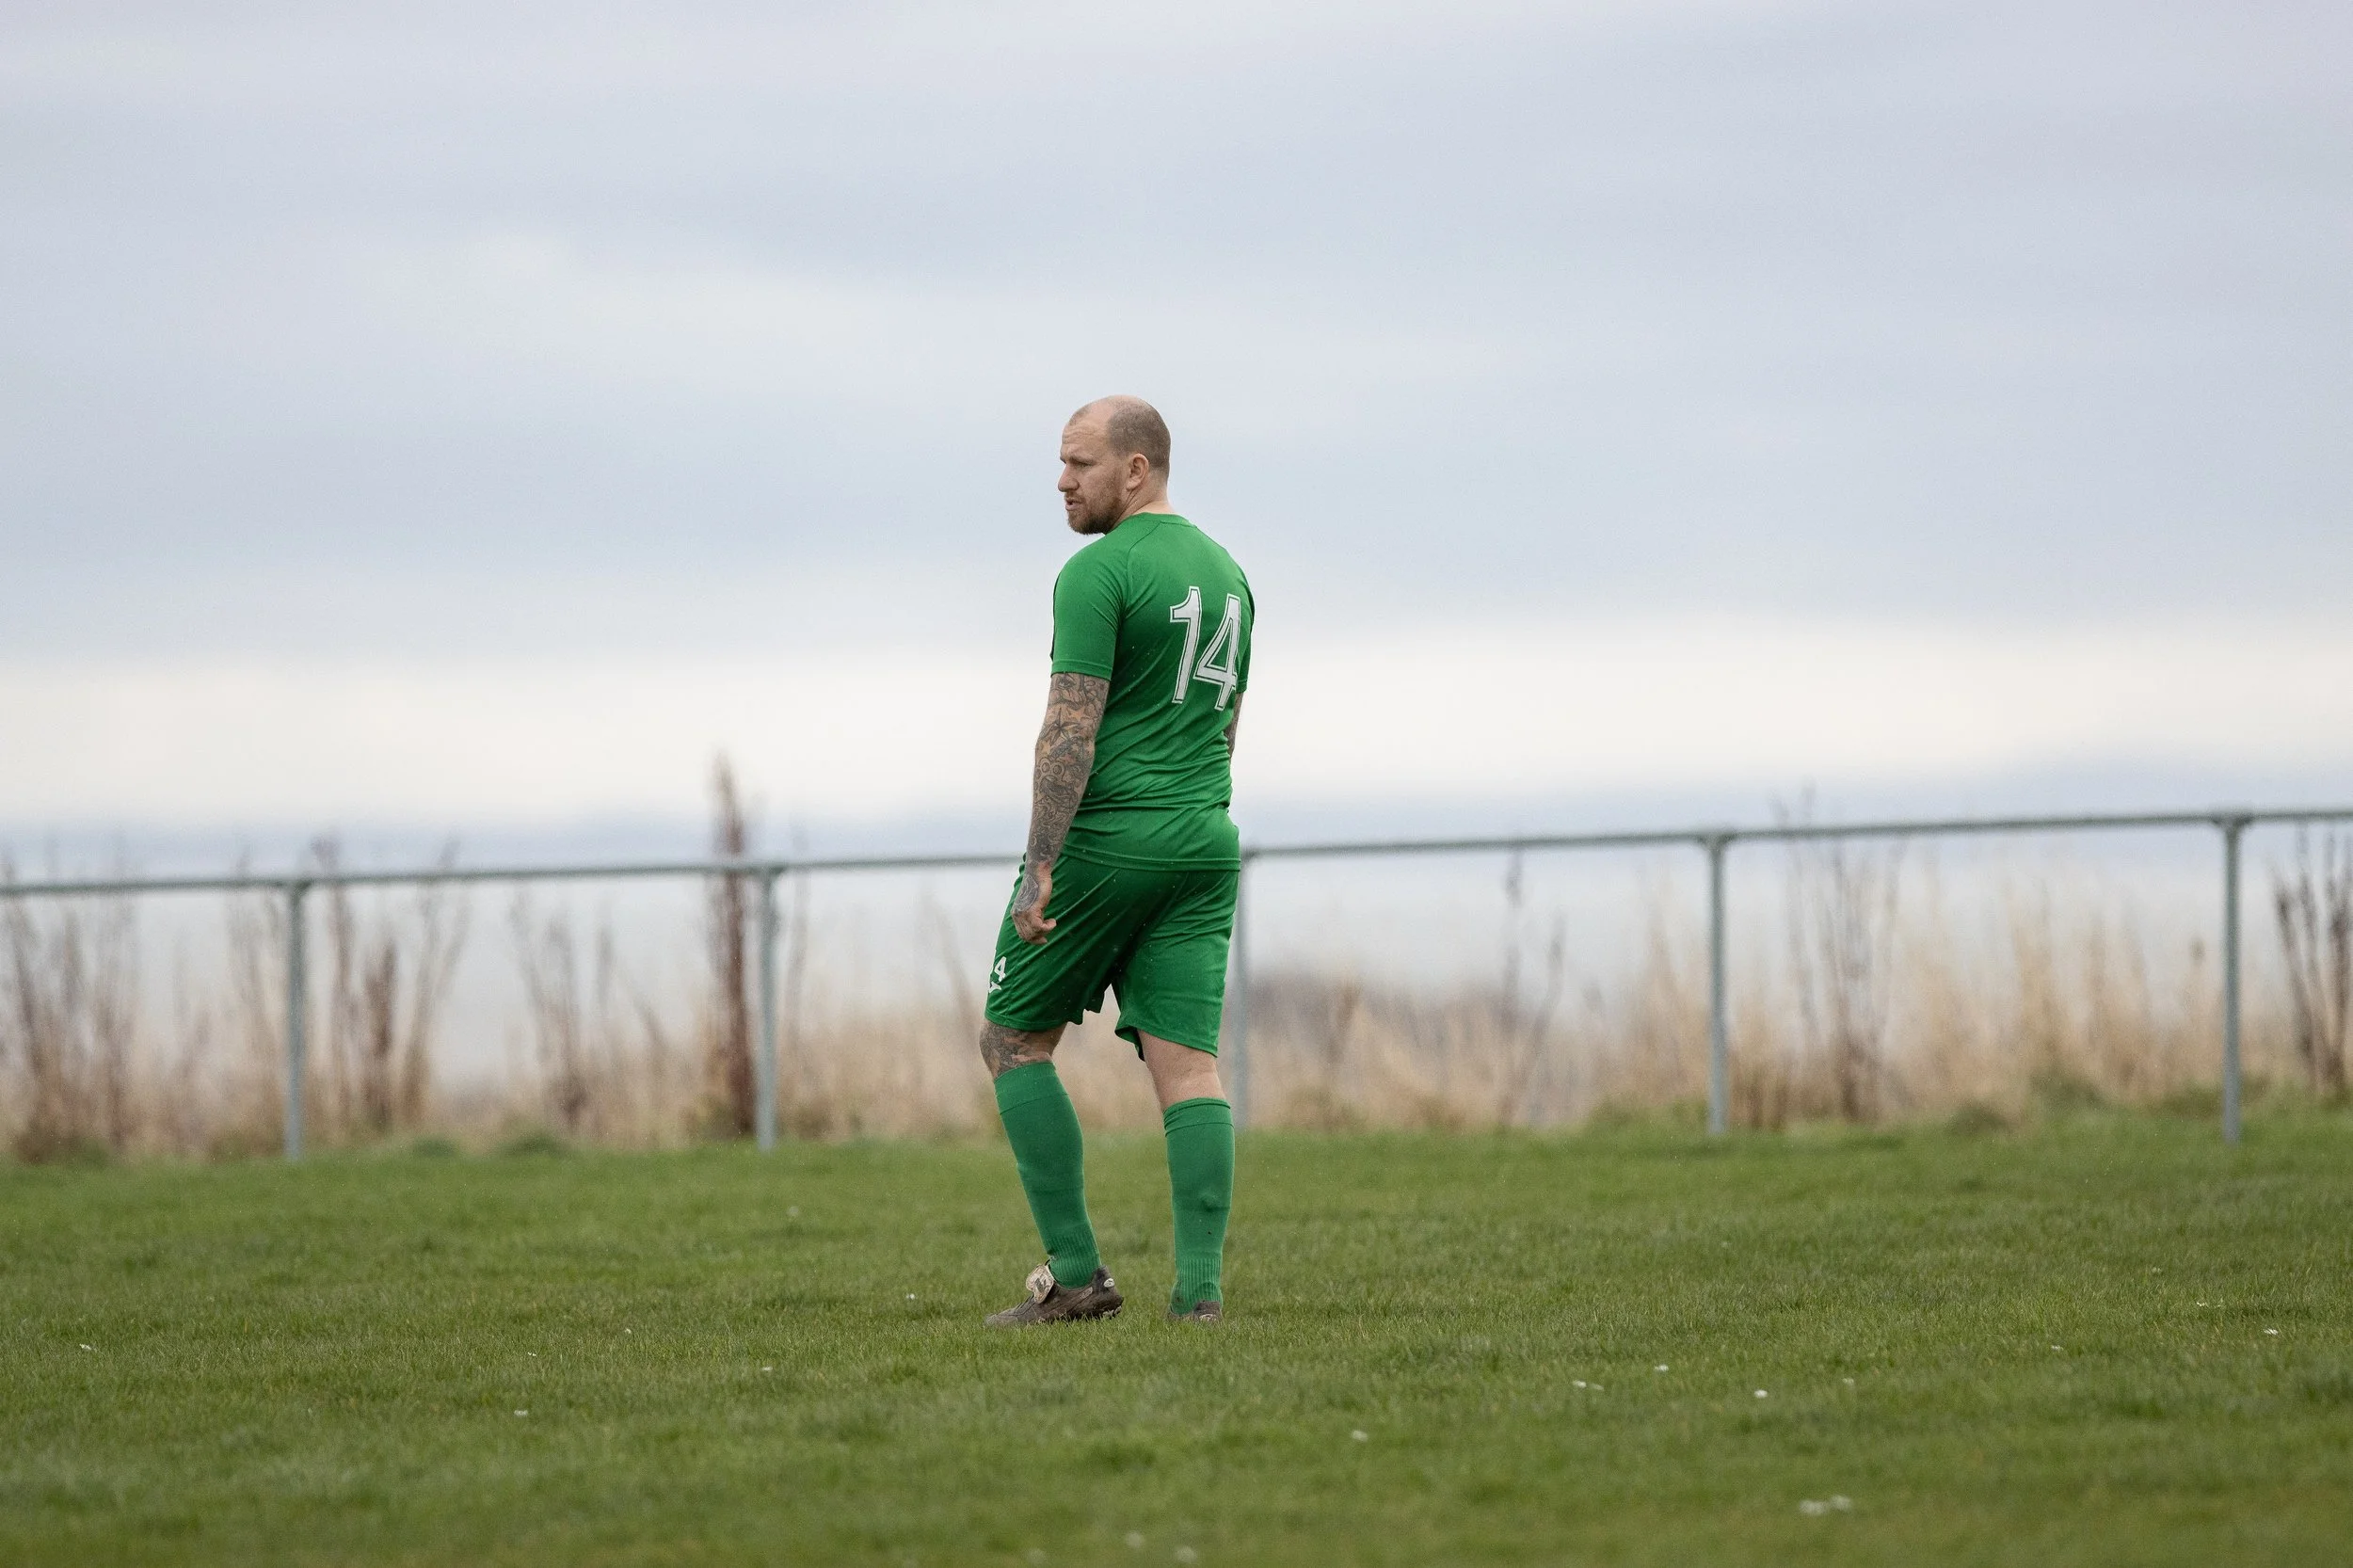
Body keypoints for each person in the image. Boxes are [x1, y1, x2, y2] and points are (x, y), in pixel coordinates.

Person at [978, 394, 1254, 1327]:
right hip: (1205, 839)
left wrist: (1041, 865)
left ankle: (1075, 1275)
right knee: (1188, 1067)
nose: (1062, 482)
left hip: (1113, 835)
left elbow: (1069, 727)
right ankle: (1199, 1295)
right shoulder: (1230, 575)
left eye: (1080, 463)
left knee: (1013, 1036)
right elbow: (1227, 729)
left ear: (1137, 470)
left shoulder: (1096, 573)